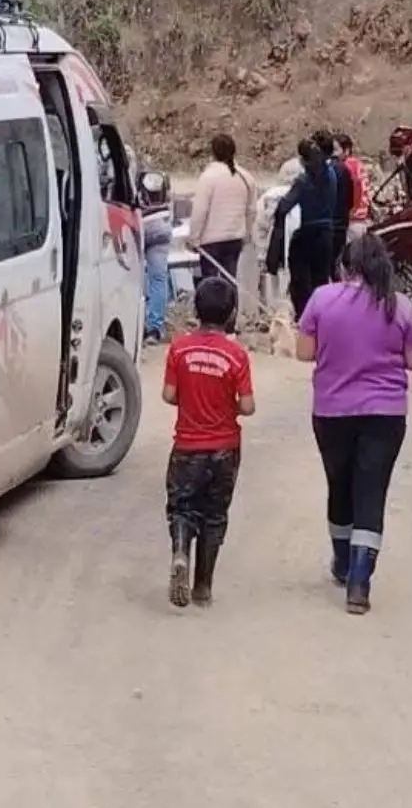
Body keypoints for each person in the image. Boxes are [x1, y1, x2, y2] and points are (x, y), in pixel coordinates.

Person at [296, 231, 412, 615]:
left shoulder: (322, 298)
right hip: (386, 415)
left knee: (340, 486)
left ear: (344, 266)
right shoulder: (399, 305)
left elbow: (305, 352)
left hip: (332, 412)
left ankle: (341, 560)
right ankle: (359, 583)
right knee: (371, 492)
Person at [162, 277, 256, 608]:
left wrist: (191, 400)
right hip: (224, 449)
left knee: (182, 508)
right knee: (215, 515)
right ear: (231, 313)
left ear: (195, 311)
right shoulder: (236, 355)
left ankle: (179, 552)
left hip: (187, 447)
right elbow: (247, 406)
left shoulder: (179, 349)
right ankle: (203, 586)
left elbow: (169, 395)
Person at [265, 139, 338, 322]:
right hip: (327, 233)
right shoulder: (331, 176)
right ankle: (322, 318)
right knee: (321, 281)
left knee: (301, 282)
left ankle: (304, 318)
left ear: (302, 160)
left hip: (308, 233)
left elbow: (284, 207)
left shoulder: (303, 181)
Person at [187, 133, 255, 287]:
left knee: (210, 285)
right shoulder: (246, 177)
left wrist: (194, 238)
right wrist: (246, 233)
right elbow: (251, 210)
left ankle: (211, 311)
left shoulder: (208, 177)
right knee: (230, 282)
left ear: (213, 152)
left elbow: (200, 211)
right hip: (235, 238)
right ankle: (232, 310)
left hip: (211, 241)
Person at [313, 129, 353, 282]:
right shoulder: (344, 169)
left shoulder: (322, 170)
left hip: (324, 228)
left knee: (322, 272)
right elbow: (350, 201)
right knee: (336, 268)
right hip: (340, 226)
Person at [140, 170, 173, 345]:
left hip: (141, 225)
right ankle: (155, 328)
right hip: (162, 225)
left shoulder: (136, 176)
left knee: (132, 277)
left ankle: (136, 322)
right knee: (159, 279)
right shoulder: (163, 178)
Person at [338, 133, 371, 239]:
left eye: (336, 150)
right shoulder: (359, 165)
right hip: (363, 218)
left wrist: (351, 211)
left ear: (346, 150)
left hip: (353, 221)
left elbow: (356, 188)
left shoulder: (346, 166)